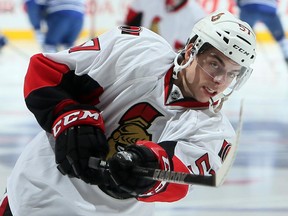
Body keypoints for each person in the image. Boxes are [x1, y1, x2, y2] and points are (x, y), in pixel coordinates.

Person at [0, 10, 256, 216]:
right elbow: (46, 70)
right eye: (214, 64)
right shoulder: (136, 49)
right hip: (35, 193)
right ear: (190, 52)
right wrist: (69, 116)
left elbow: (176, 182)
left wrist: (148, 166)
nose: (220, 81)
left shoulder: (213, 131)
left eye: (233, 73)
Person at [125, 0, 207, 50]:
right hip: (138, 50)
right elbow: (128, 25)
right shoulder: (147, 2)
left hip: (165, 68)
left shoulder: (198, 17)